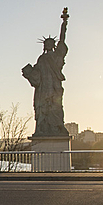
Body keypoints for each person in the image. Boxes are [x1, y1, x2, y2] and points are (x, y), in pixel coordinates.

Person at [21, 8, 69, 137]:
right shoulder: (41, 59)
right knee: (42, 109)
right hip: (42, 90)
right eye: (46, 44)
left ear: (53, 45)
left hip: (54, 88)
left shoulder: (57, 56)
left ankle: (58, 127)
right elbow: (36, 78)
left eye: (50, 43)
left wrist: (64, 23)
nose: (48, 45)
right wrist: (28, 73)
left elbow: (63, 40)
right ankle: (41, 129)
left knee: (56, 109)